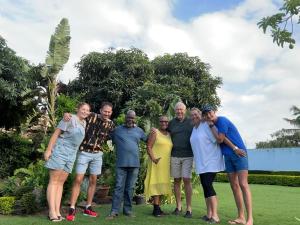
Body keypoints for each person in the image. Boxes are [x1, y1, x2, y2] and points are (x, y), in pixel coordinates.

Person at [202, 105, 253, 225]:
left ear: (214, 111)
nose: (209, 115)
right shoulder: (213, 125)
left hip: (239, 154)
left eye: (210, 112)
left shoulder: (222, 121)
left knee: (243, 184)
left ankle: (250, 218)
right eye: (206, 114)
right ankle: (241, 217)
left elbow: (220, 139)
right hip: (228, 156)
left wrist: (235, 148)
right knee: (234, 186)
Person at [65, 102, 115, 221]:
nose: (106, 114)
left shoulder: (111, 124)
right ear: (100, 110)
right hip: (84, 152)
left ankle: (88, 207)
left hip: (98, 154)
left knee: (93, 180)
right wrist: (67, 114)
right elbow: (78, 116)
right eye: (105, 111)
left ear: (111, 113)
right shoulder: (91, 115)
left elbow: (111, 138)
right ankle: (72, 208)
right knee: (78, 179)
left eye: (109, 112)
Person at [44, 102, 90, 222]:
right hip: (60, 151)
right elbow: (56, 133)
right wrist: (48, 150)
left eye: (87, 110)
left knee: (60, 183)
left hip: (72, 155)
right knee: (54, 181)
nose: (85, 112)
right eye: (83, 109)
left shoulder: (84, 123)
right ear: (78, 109)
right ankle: (51, 212)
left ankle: (57, 212)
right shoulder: (69, 118)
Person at [106, 110, 147, 219]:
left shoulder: (139, 131)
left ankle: (127, 210)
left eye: (132, 118)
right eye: (129, 117)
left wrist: (155, 132)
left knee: (130, 188)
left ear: (135, 119)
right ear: (125, 118)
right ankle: (114, 211)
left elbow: (148, 141)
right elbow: (107, 138)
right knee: (119, 187)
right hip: (121, 164)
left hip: (134, 164)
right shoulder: (117, 130)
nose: (130, 119)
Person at [189, 108, 224, 224]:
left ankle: (215, 216)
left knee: (208, 186)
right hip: (201, 163)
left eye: (196, 114)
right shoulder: (194, 129)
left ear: (201, 115)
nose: (194, 116)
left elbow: (217, 138)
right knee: (205, 187)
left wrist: (208, 122)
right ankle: (209, 214)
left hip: (211, 162)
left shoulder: (207, 125)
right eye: (192, 115)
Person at [168, 102, 194, 218]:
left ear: (185, 110)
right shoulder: (171, 123)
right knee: (177, 180)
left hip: (188, 155)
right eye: (177, 110)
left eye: (181, 110)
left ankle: (189, 208)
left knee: (187, 179)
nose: (179, 111)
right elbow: (165, 134)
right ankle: (178, 206)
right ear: (175, 111)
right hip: (175, 155)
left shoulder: (191, 122)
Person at [144, 115, 173, 217]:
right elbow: (148, 146)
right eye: (162, 121)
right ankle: (156, 209)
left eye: (166, 121)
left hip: (165, 164)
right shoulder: (154, 132)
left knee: (160, 184)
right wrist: (153, 159)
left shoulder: (169, 134)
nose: (164, 123)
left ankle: (158, 208)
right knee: (156, 184)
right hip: (156, 162)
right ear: (159, 122)